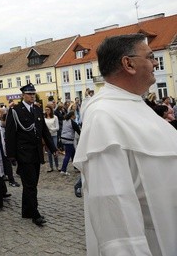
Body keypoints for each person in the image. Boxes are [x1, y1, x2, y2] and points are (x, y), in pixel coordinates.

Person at [73, 34, 177, 255]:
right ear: (128, 63)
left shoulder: (134, 104)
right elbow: (113, 205)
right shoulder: (104, 115)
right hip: (153, 242)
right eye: (150, 57)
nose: (156, 63)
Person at [5, 83, 57, 227]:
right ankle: (35, 214)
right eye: (29, 94)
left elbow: (44, 132)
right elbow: (10, 134)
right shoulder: (15, 111)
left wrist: (53, 148)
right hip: (23, 153)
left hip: (36, 153)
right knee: (30, 185)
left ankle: (26, 210)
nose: (32, 96)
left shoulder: (37, 110)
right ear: (23, 95)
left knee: (31, 184)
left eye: (34, 94)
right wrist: (11, 156)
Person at [59, 111, 81, 175]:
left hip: (63, 138)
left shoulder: (65, 121)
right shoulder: (73, 122)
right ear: (72, 116)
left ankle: (76, 167)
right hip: (69, 140)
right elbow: (78, 131)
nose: (75, 116)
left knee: (73, 153)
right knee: (67, 155)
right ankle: (63, 170)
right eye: (74, 115)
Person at [43, 104, 59, 172]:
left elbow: (57, 128)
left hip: (54, 135)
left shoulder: (55, 117)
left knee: (54, 150)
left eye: (48, 109)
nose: (47, 111)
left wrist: (50, 129)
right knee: (49, 152)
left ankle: (57, 166)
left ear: (51, 110)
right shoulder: (44, 118)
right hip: (47, 137)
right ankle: (51, 166)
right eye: (46, 110)